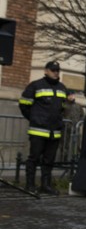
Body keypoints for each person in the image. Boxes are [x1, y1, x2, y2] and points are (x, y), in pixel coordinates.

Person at [19, 60, 67, 195]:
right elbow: (24, 105)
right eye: (53, 70)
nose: (56, 72)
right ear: (46, 71)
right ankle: (30, 185)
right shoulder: (35, 85)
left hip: (54, 131)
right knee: (34, 158)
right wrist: (35, 119)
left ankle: (45, 185)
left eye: (57, 70)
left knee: (49, 160)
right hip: (38, 130)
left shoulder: (62, 87)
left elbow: (63, 108)